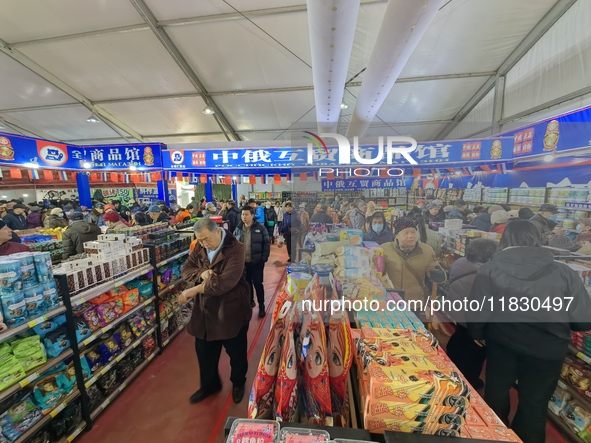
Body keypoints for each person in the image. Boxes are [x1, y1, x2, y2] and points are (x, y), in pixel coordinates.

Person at [467, 220, 591, 443]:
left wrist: (476, 333)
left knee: (496, 393)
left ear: (505, 240)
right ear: (538, 238)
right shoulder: (564, 273)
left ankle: (494, 436)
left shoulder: (490, 269)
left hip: (502, 343)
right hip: (548, 349)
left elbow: (478, 309)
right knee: (535, 403)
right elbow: (583, 321)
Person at [178, 218, 251, 405]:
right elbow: (186, 269)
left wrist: (193, 290)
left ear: (218, 231)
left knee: (236, 353)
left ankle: (238, 383)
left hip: (231, 310)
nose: (203, 244)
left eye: (206, 239)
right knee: (204, 352)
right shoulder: (200, 246)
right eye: (200, 240)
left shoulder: (236, 248)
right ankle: (209, 385)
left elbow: (224, 283)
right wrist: (202, 273)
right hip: (205, 312)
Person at [444, 238, 497, 389]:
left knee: (459, 339)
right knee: (474, 351)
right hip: (473, 318)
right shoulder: (485, 273)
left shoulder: (460, 262)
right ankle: (468, 381)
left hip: (458, 311)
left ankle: (451, 366)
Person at [382, 217, 446, 303]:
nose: (411, 236)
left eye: (413, 232)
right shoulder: (385, 249)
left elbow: (435, 268)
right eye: (406, 233)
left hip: (415, 301)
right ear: (397, 235)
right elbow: (377, 273)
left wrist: (441, 276)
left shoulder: (427, 250)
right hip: (391, 300)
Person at [233, 206, 270, 318]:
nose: (244, 217)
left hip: (257, 262)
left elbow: (266, 243)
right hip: (244, 263)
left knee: (258, 284)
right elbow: (234, 244)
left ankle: (262, 305)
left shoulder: (260, 228)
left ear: (252, 215)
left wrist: (263, 258)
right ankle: (250, 302)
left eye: (246, 214)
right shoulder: (238, 228)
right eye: (242, 214)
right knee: (247, 284)